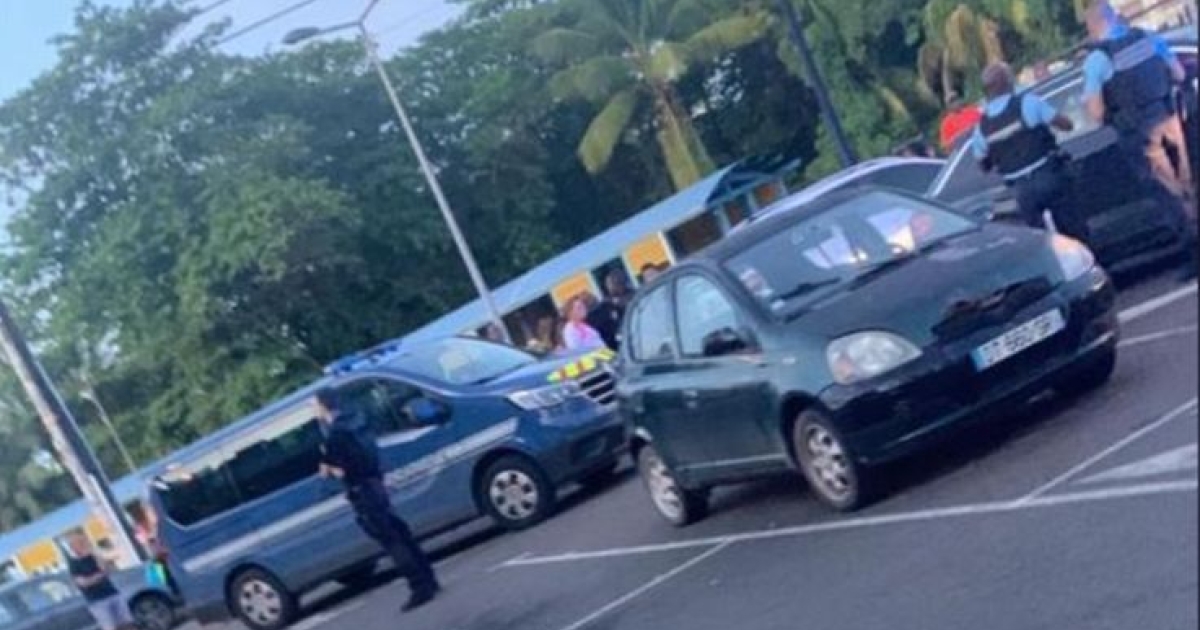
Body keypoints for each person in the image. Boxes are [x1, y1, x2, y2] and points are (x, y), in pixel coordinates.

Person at [1081, 0, 1197, 279]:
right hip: (1169, 120)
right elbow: (1178, 74)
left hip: (1140, 133)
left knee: (1168, 193)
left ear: (1095, 25)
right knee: (1187, 184)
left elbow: (1096, 114)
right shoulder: (1147, 38)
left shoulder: (1099, 59)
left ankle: (1195, 253)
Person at [316, 388, 440, 612]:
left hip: (362, 491)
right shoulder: (356, 423)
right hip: (376, 483)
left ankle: (419, 587)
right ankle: (429, 578)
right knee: (401, 533)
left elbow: (334, 471)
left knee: (392, 541)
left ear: (323, 406)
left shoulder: (335, 435)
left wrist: (328, 467)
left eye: (314, 405)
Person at [970, 62, 1092, 246]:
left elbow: (983, 165)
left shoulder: (982, 126)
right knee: (1075, 231)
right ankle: (1086, 263)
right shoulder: (1026, 103)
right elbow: (1066, 124)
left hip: (1021, 191)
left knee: (1040, 243)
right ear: (1006, 82)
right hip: (1048, 176)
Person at [65, 532, 136, 630]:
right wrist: (99, 576)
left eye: (84, 541)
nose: (84, 543)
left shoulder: (93, 557)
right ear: (73, 547)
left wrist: (95, 554)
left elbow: (106, 569)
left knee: (128, 624)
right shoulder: (73, 564)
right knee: (111, 627)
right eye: (80, 542)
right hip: (97, 601)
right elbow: (83, 583)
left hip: (112, 593)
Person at [587, 270, 632, 349]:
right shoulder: (606, 303)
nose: (609, 287)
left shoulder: (632, 294)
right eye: (608, 284)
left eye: (610, 283)